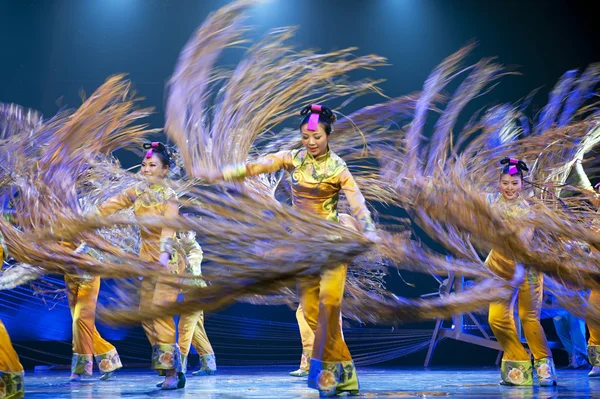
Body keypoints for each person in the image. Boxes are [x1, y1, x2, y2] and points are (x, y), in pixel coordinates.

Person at [201, 104, 378, 396]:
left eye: (317, 137)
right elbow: (259, 165)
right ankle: (345, 372)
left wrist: (368, 228)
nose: (310, 142)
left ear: (328, 135)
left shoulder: (338, 167)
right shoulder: (293, 159)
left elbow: (356, 200)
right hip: (304, 248)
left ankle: (327, 378)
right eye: (306, 136)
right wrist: (226, 172)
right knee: (310, 313)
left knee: (329, 307)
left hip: (332, 245)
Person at [94, 142, 185, 390]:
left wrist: (163, 258)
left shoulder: (170, 198)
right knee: (147, 316)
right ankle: (169, 366)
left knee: (159, 314)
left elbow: (169, 229)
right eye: (144, 165)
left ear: (164, 170)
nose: (145, 169)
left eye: (152, 165)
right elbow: (111, 205)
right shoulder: (137, 192)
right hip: (148, 263)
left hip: (169, 263)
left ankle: (172, 373)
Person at [485, 157, 557, 386]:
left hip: (526, 267)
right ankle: (519, 363)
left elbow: (524, 241)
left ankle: (545, 366)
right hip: (499, 266)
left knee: (529, 317)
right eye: (505, 182)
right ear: (498, 183)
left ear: (522, 184)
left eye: (514, 183)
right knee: (496, 319)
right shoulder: (489, 203)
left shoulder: (529, 209)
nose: (509, 188)